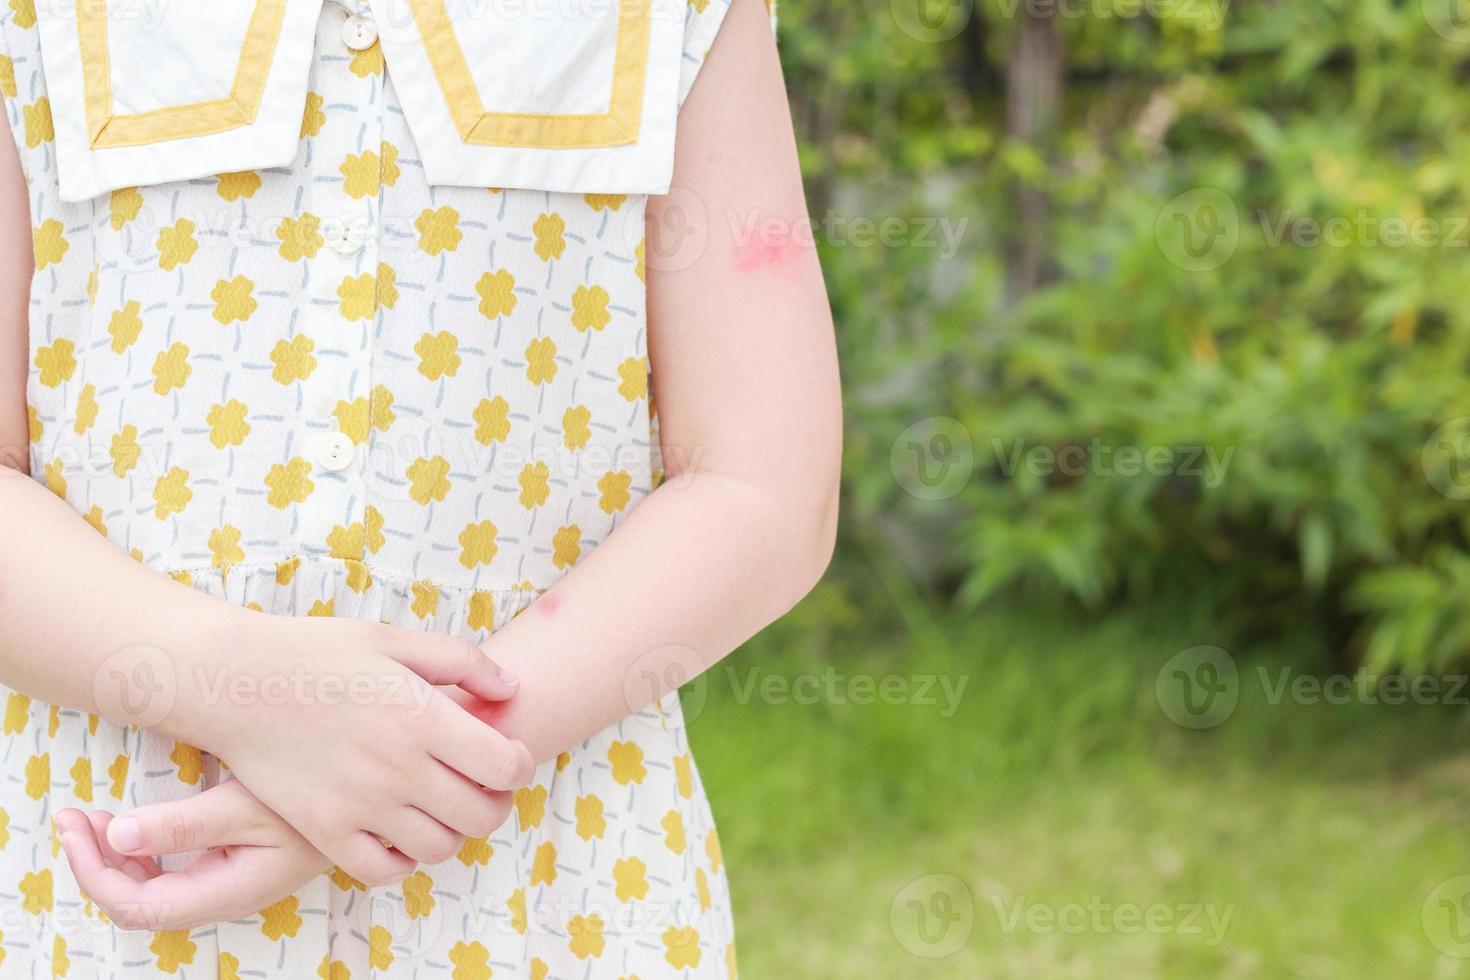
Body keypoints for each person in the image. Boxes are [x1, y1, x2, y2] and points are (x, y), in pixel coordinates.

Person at [0, 0, 839, 975]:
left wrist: (421, 760)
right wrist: (250, 692)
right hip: (116, 873)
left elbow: (765, 481)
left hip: (537, 882)